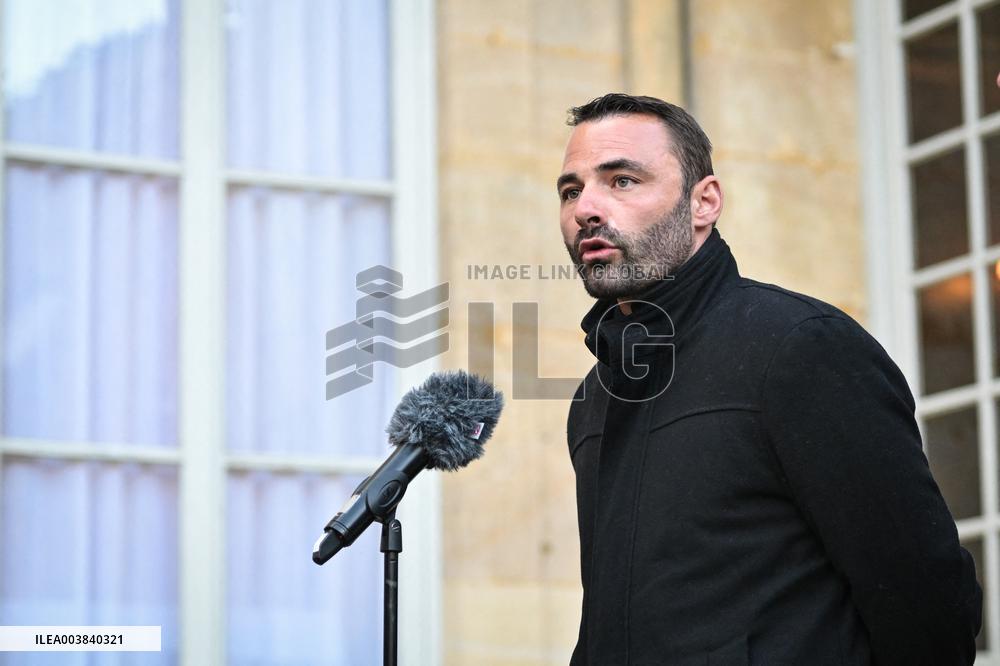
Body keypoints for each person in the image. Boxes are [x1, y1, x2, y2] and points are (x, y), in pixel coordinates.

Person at [559, 93, 982, 665]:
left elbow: (925, 598)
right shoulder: (595, 395)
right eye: (571, 190)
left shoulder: (801, 346)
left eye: (623, 180)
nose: (587, 207)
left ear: (703, 202)